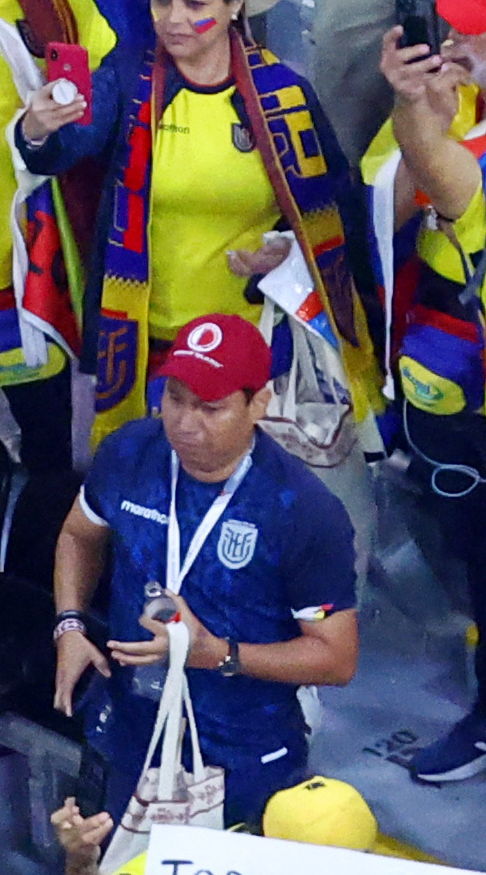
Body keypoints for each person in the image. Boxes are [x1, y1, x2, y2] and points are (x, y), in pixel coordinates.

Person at [52, 309, 368, 822]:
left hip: (239, 754)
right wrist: (69, 625)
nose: (184, 421)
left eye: (210, 407)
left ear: (257, 404)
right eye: (174, 397)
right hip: (126, 733)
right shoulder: (130, 453)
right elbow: (77, 535)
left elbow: (336, 659)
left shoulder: (302, 510)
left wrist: (217, 654)